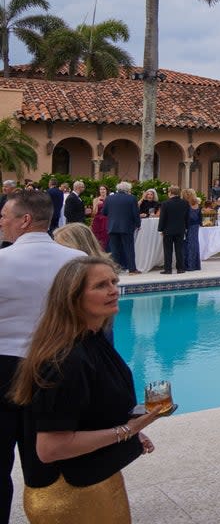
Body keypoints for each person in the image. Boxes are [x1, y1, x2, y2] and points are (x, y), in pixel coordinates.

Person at [9, 255, 164, 524]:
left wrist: (129, 435)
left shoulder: (92, 340)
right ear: (73, 297)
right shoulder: (66, 359)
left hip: (94, 479)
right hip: (70, 495)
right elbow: (50, 448)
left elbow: (88, 411)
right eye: (101, 285)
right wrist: (128, 430)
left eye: (114, 281)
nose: (113, 290)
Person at [0, 191, 87, 521]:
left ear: (24, 220)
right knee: (50, 469)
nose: (1, 222)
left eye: (5, 216)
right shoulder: (77, 262)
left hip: (4, 369)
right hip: (59, 370)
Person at [102, 183, 140, 275]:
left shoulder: (109, 198)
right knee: (129, 248)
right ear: (127, 190)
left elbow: (104, 212)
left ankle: (115, 270)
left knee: (114, 249)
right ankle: (132, 269)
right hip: (126, 227)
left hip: (112, 227)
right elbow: (135, 213)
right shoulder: (131, 198)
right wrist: (138, 224)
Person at [157, 185, 190, 275]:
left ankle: (168, 269)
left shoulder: (165, 203)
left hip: (168, 230)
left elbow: (163, 218)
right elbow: (187, 217)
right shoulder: (185, 203)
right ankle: (180, 268)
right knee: (179, 249)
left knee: (168, 250)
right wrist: (186, 227)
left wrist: (160, 229)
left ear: (170, 192)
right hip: (180, 229)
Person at [182, 189, 202, 272]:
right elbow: (199, 217)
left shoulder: (185, 204)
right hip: (195, 226)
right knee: (194, 244)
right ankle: (195, 265)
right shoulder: (197, 204)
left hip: (188, 226)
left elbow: (185, 217)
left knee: (187, 244)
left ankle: (188, 265)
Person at [90, 184, 110, 250]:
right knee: (97, 237)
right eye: (101, 189)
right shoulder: (95, 199)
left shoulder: (109, 199)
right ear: (99, 191)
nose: (102, 191)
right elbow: (93, 213)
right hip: (97, 220)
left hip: (106, 220)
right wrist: (96, 205)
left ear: (107, 190)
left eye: (104, 189)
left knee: (106, 237)